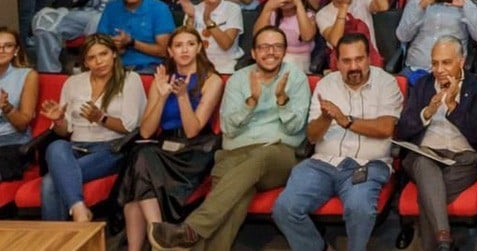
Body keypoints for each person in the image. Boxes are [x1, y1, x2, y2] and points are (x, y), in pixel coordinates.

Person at [148, 27, 311, 251]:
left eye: (277, 47)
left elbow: (296, 128)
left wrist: (282, 100)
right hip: (236, 154)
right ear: (253, 53)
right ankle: (191, 239)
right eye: (264, 47)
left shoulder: (296, 78)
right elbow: (228, 129)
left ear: (284, 51)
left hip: (278, 155)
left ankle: (191, 228)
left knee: (262, 155)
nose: (270, 52)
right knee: (232, 203)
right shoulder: (238, 80)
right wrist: (251, 102)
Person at [272, 33, 403, 251]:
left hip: (367, 164)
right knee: (284, 208)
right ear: (336, 62)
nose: (354, 66)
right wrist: (325, 118)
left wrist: (345, 120)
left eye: (359, 59)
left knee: (359, 208)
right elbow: (312, 137)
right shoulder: (326, 84)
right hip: (322, 163)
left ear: (369, 58)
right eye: (346, 61)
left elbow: (385, 128)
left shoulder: (386, 83)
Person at [119, 27, 224, 251]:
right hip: (162, 147)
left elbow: (193, 130)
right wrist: (163, 95)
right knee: (139, 160)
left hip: (193, 151)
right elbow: (147, 132)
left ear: (199, 48)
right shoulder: (162, 78)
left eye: (190, 44)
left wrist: (183, 97)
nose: (184, 49)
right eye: (178, 45)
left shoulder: (211, 80)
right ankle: (157, 236)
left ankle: (153, 237)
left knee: (139, 164)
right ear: (170, 51)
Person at [394, 37, 477, 251]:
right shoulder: (422, 85)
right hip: (425, 155)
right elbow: (402, 129)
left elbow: (476, 134)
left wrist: (452, 108)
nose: (438, 69)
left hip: (462, 161)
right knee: (424, 165)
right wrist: (426, 112)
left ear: (461, 61)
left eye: (446, 62)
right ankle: (444, 241)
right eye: (435, 62)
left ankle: (440, 243)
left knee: (428, 193)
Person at [39, 34, 146, 222]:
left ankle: (62, 239)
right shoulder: (73, 83)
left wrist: (101, 118)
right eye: (91, 57)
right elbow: (64, 132)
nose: (99, 61)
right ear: (86, 63)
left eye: (103, 54)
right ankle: (79, 208)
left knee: (50, 182)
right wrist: (58, 121)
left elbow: (130, 127)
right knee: (55, 146)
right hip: (75, 147)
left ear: (113, 54)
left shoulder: (131, 79)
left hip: (111, 148)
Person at [396, 0, 477, 75]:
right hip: (417, 68)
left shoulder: (465, 4)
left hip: (452, 72)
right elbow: (403, 36)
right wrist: (420, 8)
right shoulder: (416, 2)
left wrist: (464, 7)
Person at [95, 0, 175, 73]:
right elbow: (100, 42)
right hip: (116, 67)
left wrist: (131, 42)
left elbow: (164, 50)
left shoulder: (159, 9)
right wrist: (115, 48)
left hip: (149, 67)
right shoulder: (111, 7)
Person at [315, 0, 387, 69]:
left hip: (369, 62)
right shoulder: (322, 14)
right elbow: (335, 41)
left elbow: (383, 6)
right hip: (342, 67)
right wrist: (344, 5)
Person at [179, 0, 245, 74]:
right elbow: (187, 44)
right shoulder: (193, 9)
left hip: (225, 67)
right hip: (197, 66)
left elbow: (226, 44)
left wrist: (208, 21)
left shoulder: (233, 9)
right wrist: (191, 18)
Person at [252, 0, 317, 72]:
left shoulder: (308, 15)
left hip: (299, 59)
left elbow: (307, 37)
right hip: (272, 55)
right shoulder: (272, 13)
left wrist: (298, 3)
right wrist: (268, 8)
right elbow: (257, 37)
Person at [0, 27, 38, 181]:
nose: (1, 50)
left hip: (13, 143)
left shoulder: (28, 75)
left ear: (16, 50)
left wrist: (6, 107)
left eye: (8, 46)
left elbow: (22, 124)